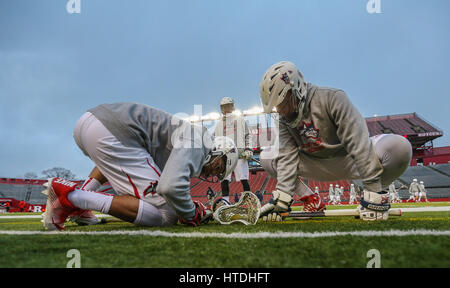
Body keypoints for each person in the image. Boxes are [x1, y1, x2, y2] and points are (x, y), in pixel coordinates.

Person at [42, 103, 238, 231]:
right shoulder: (200, 139)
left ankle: (81, 201)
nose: (214, 173)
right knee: (167, 214)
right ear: (218, 149)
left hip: (89, 124)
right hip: (113, 133)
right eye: (219, 167)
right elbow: (169, 188)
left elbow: (122, 165)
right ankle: (71, 197)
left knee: (125, 166)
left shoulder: (185, 138)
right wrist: (191, 214)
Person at [259, 61, 412, 221]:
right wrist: (282, 200)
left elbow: (357, 141)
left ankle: (375, 193)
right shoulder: (283, 119)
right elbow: (287, 155)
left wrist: (373, 188)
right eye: (276, 108)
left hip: (350, 158)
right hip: (315, 163)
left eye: (283, 104)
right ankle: (311, 200)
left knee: (400, 147)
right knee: (266, 157)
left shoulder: (332, 97)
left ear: (297, 90)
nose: (280, 111)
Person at [214, 97, 253, 203]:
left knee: (243, 178)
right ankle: (225, 201)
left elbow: (248, 135)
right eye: (224, 106)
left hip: (240, 153)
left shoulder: (240, 120)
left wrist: (249, 149)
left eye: (228, 105)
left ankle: (248, 201)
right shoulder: (218, 124)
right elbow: (215, 140)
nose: (226, 108)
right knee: (224, 179)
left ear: (232, 106)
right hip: (224, 156)